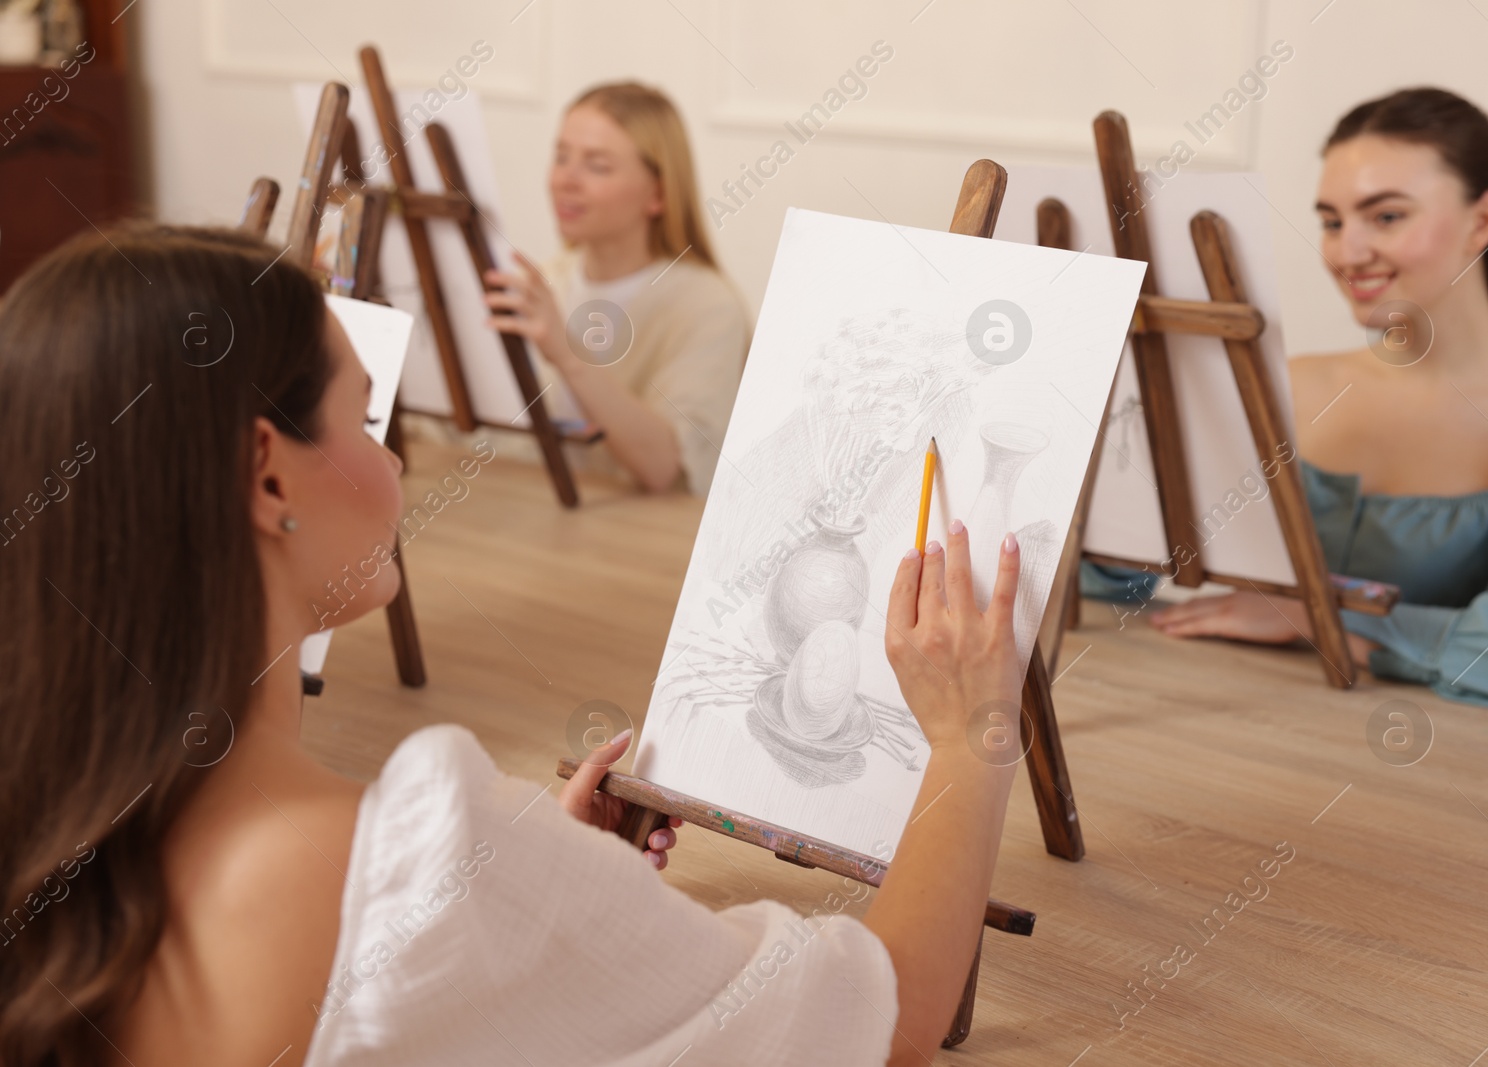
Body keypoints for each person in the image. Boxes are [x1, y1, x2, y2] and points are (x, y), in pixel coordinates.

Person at [0, 225, 1025, 1066]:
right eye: (363, 417)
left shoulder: (46, 816)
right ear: (269, 477)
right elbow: (883, 1019)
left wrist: (549, 902)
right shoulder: (416, 857)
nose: (396, 458)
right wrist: (966, 731)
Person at [1145, 87, 1488, 714]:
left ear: (1484, 219)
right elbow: (1117, 567)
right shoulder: (1280, 387)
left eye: (1386, 217)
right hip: (1203, 729)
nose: (1345, 253)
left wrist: (1322, 617)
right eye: (1332, 221)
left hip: (1421, 782)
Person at [485, 81, 750, 496]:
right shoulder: (547, 282)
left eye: (597, 166)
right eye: (561, 157)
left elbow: (668, 468)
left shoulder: (708, 307)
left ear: (657, 194)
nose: (565, 180)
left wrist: (568, 354)